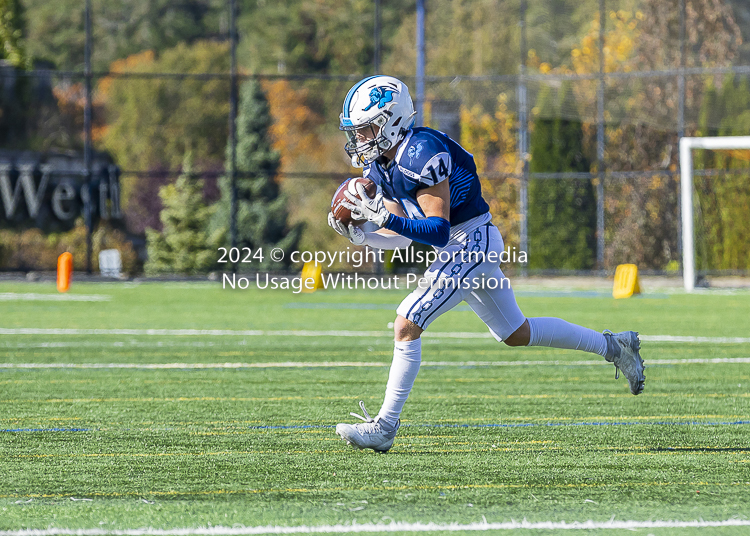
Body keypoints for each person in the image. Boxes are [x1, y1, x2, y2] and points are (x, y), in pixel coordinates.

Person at [327, 75, 644, 453]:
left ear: (392, 120)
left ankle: (384, 427)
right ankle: (614, 347)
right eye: (357, 131)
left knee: (406, 323)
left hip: (470, 239)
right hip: (465, 244)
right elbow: (406, 235)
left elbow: (437, 230)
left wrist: (382, 219)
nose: (361, 139)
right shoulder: (382, 164)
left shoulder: (420, 152)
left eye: (366, 129)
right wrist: (364, 237)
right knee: (517, 333)